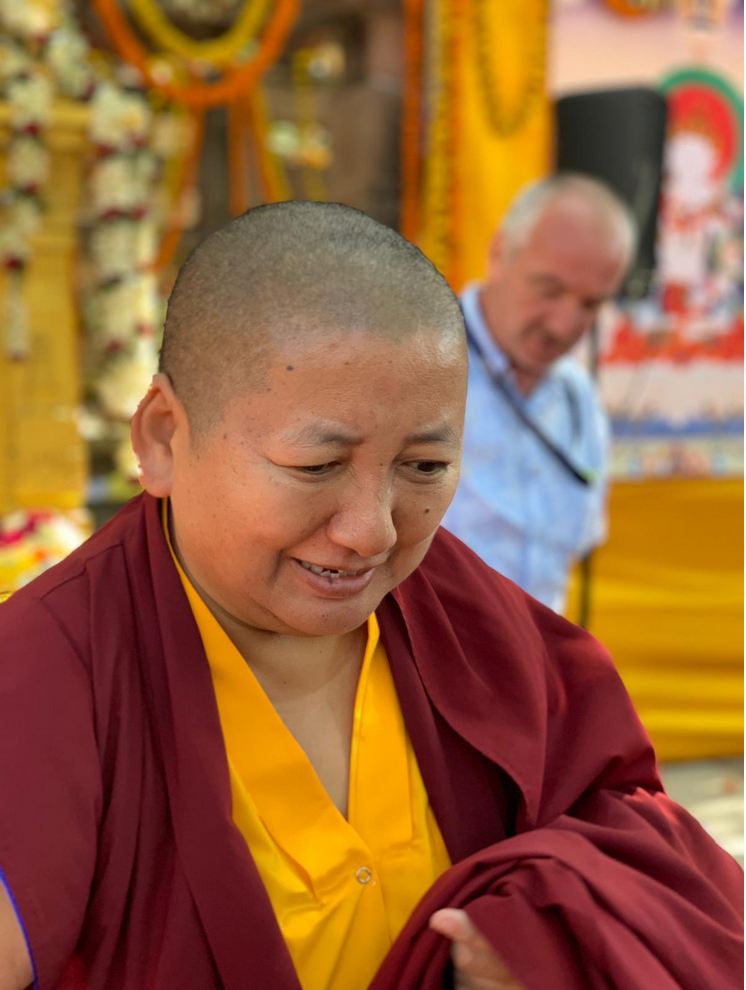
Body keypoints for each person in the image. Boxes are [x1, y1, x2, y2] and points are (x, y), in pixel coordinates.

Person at [0, 203, 741, 990]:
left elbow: (635, 840)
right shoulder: (48, 674)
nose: (372, 532)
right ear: (161, 438)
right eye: (317, 467)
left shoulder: (473, 622)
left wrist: (542, 948)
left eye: (424, 467)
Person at [442, 174, 634, 614]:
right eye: (549, 291)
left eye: (590, 305)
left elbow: (576, 545)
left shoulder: (579, 399)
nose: (564, 325)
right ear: (498, 253)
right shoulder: (417, 364)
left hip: (536, 665)